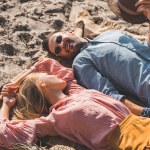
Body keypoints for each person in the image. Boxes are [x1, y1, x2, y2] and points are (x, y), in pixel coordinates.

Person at [1, 58, 150, 149]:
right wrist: (6, 104)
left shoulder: (76, 91)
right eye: (47, 76)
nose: (52, 74)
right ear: (42, 84)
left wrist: (25, 75)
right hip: (134, 142)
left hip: (143, 124)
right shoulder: (56, 118)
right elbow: (4, 133)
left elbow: (48, 63)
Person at [43, 0, 150, 116]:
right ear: (61, 56)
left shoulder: (110, 33)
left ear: (68, 32)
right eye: (58, 50)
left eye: (59, 39)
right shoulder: (81, 63)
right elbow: (110, 95)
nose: (61, 45)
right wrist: (144, 112)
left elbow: (144, 47)